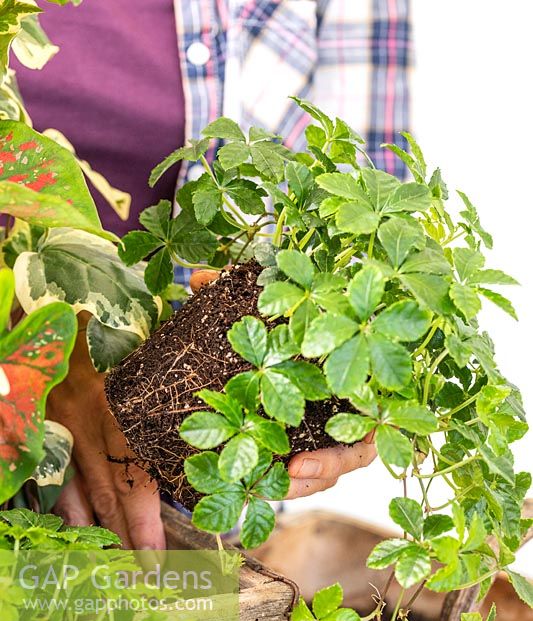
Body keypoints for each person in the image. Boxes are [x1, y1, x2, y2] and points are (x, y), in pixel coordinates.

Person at [16, 0, 412, 549]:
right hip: (21, 414)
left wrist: (360, 391)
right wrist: (42, 347)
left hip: (204, 495)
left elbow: (369, 211)